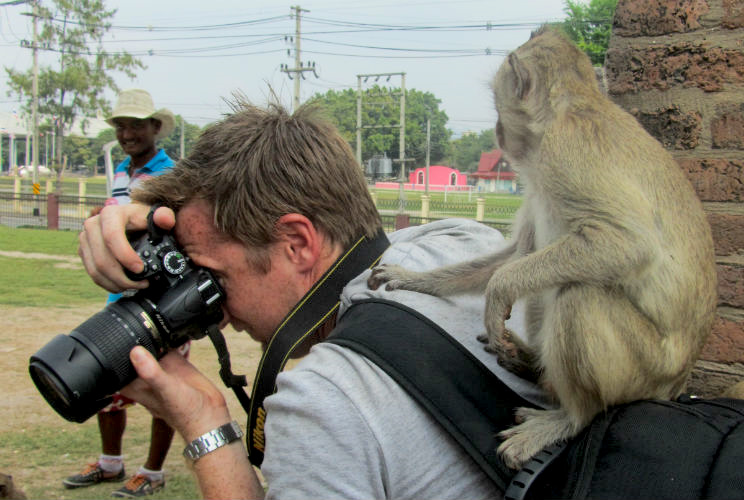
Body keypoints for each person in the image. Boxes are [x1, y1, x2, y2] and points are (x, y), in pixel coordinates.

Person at [77, 99, 549, 499]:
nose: (216, 318)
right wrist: (163, 232)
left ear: (298, 244)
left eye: (216, 278)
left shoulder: (323, 405)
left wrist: (203, 421)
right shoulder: (466, 243)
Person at [64, 89, 185, 498]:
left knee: (164, 388)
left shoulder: (169, 173)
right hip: (121, 297)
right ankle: (111, 463)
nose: (127, 133)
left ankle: (152, 472)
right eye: (121, 126)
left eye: (135, 125)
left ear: (155, 127)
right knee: (107, 378)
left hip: (159, 300)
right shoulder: (122, 170)